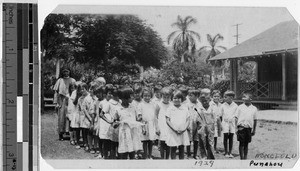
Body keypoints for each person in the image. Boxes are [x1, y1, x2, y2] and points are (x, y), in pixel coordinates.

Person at [113, 87, 143, 159]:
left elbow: (138, 118)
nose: (133, 97)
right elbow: (114, 123)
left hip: (133, 133)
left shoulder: (133, 107)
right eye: (131, 96)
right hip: (124, 134)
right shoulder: (118, 109)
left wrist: (139, 119)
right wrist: (116, 123)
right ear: (124, 98)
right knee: (124, 152)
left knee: (132, 151)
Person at [166, 90, 190, 160]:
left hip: (182, 131)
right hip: (173, 131)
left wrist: (184, 129)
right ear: (171, 99)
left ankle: (181, 163)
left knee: (181, 147)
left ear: (182, 99)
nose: (176, 100)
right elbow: (167, 120)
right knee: (173, 148)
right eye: (174, 98)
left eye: (178, 98)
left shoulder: (185, 108)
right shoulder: (170, 109)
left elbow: (188, 120)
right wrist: (174, 129)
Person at [52, 68, 76, 140]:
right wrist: (56, 102)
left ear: (70, 72)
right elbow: (56, 92)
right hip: (62, 100)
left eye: (67, 71)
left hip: (71, 100)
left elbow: (75, 91)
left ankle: (70, 133)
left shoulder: (73, 80)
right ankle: (61, 134)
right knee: (61, 117)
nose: (66, 73)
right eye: (64, 72)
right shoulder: (60, 80)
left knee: (71, 116)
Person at [234, 92, 258, 160]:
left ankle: (245, 157)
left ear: (250, 99)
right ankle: (241, 158)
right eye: (243, 97)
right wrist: (236, 128)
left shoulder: (254, 108)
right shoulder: (240, 107)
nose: (243, 98)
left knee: (246, 144)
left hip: (248, 128)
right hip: (241, 127)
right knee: (241, 143)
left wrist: (254, 130)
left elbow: (255, 120)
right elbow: (236, 118)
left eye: (245, 97)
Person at [137, 87, 158, 159]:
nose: (147, 97)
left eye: (148, 96)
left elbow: (155, 115)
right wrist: (141, 121)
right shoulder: (140, 104)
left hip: (151, 124)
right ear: (142, 96)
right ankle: (145, 155)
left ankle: (150, 155)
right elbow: (139, 115)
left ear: (151, 96)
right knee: (145, 141)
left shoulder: (153, 104)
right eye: (145, 96)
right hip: (144, 124)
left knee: (150, 141)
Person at [102, 86, 122, 159]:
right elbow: (101, 114)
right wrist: (109, 121)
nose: (117, 97)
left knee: (120, 144)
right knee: (113, 144)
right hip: (114, 126)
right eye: (116, 95)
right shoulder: (109, 103)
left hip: (120, 125)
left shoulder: (120, 102)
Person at [155, 87, 172, 159]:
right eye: (164, 97)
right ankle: (162, 158)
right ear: (161, 96)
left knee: (168, 143)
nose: (166, 99)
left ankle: (167, 158)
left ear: (170, 97)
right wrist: (157, 127)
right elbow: (155, 117)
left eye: (168, 97)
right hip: (161, 126)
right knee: (162, 143)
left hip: (169, 126)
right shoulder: (159, 105)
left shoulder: (171, 105)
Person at [98, 84, 114, 159]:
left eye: (112, 93)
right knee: (103, 139)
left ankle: (111, 154)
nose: (111, 95)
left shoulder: (114, 102)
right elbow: (100, 114)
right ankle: (102, 154)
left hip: (111, 122)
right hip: (104, 122)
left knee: (110, 139)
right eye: (109, 93)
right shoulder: (102, 103)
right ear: (105, 94)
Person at [220, 90, 238, 158]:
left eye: (226, 97)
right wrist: (221, 124)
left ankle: (230, 152)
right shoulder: (223, 106)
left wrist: (236, 125)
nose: (224, 98)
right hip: (225, 123)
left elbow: (236, 116)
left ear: (231, 98)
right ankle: (226, 152)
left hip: (232, 123)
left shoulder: (235, 106)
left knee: (231, 137)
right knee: (225, 137)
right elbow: (220, 115)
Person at [186, 89, 202, 159]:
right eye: (189, 95)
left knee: (196, 139)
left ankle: (195, 154)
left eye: (191, 95)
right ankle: (188, 154)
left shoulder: (199, 104)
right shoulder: (187, 104)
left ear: (196, 96)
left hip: (197, 123)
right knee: (189, 139)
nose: (189, 97)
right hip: (189, 123)